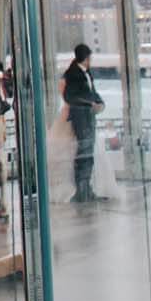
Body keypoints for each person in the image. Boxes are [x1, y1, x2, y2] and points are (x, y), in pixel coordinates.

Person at [62, 43, 106, 202]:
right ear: (86, 58)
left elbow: (92, 92)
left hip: (88, 117)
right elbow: (70, 97)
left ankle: (86, 189)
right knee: (84, 152)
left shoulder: (86, 73)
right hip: (81, 118)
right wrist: (90, 104)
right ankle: (82, 190)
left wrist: (100, 102)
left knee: (87, 152)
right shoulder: (73, 74)